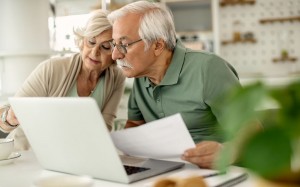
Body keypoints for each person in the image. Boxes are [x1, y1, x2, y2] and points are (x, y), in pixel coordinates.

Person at [107, 1, 245, 169]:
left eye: (124, 44)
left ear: (157, 45)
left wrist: (226, 152)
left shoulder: (208, 69)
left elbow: (253, 133)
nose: (115, 55)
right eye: (114, 44)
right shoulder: (141, 75)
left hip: (222, 171)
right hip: (169, 170)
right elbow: (135, 125)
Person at [0, 9, 125, 150]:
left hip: (73, 156)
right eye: (91, 42)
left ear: (116, 51)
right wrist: (9, 118)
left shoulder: (116, 79)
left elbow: (103, 130)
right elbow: (5, 121)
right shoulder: (52, 68)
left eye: (105, 47)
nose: (94, 52)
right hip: (26, 153)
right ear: (82, 41)